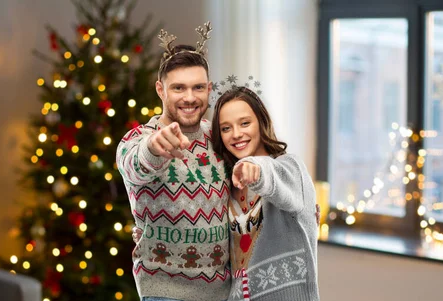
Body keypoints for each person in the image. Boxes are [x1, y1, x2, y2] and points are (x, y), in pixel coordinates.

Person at [116, 22, 232, 301]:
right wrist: (153, 149)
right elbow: (136, 166)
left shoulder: (220, 135)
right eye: (178, 88)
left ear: (209, 88)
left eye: (198, 87)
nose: (190, 97)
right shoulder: (138, 138)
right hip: (164, 294)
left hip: (223, 292)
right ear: (160, 89)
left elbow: (252, 177)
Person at [210, 84, 320, 301]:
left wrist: (256, 168)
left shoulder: (291, 169)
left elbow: (274, 177)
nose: (236, 134)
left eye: (244, 123)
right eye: (226, 128)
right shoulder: (229, 184)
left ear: (261, 122)